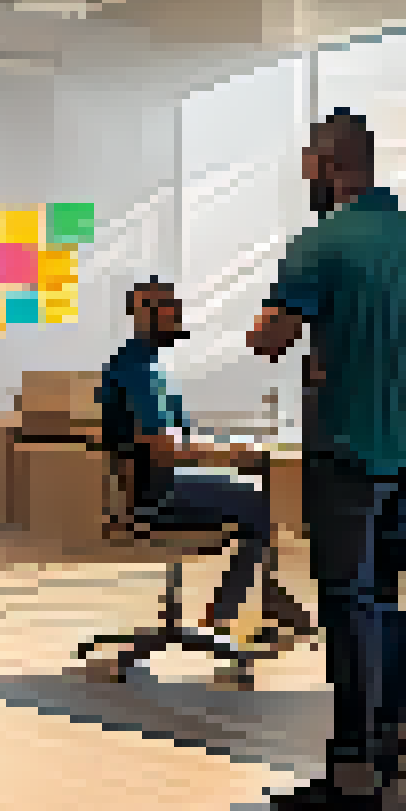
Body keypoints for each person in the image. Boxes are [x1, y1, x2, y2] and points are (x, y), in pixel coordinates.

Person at [248, 107, 406, 811]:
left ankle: (350, 771)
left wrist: (327, 357)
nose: (305, 174)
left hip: (344, 449)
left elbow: (267, 340)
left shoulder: (320, 244)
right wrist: (393, 365)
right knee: (382, 599)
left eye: (310, 161)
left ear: (331, 162)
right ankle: (387, 748)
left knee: (345, 605)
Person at [97, 278, 307, 654]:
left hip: (149, 485)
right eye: (168, 307)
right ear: (144, 314)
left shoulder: (139, 364)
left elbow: (170, 437)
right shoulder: (140, 372)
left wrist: (225, 450)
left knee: (253, 486)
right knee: (260, 501)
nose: (178, 314)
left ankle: (267, 600)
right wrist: (228, 453)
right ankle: (223, 618)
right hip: (156, 495)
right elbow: (164, 448)